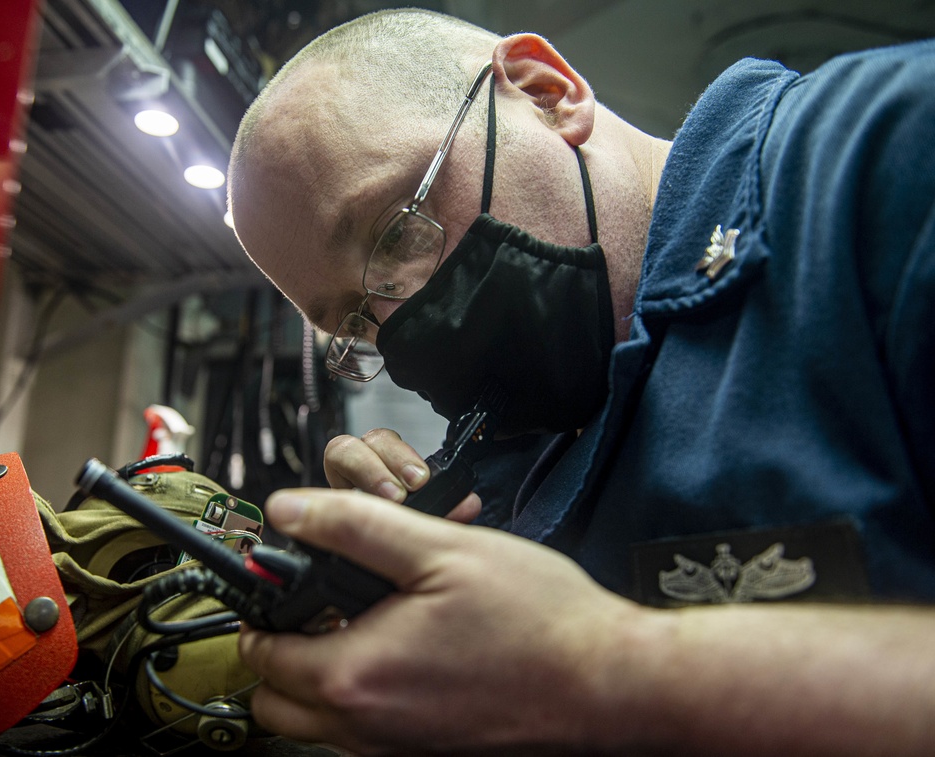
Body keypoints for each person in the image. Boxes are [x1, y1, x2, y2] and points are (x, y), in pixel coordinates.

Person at [226, 8, 935, 755]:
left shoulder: (888, 154)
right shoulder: (512, 446)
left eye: (398, 229)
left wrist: (608, 667)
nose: (399, 320)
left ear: (546, 91)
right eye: (356, 321)